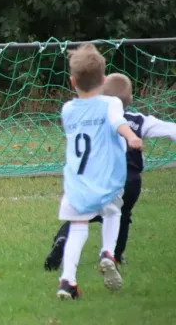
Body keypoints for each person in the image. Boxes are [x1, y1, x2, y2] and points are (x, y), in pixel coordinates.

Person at [44, 73, 176, 271]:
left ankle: (63, 238)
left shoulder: (93, 118)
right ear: (130, 99)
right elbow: (169, 129)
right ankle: (115, 254)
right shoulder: (137, 120)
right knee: (122, 214)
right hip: (130, 181)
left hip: (98, 176)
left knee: (81, 213)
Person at [53, 45, 143, 300]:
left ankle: (67, 281)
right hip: (105, 179)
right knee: (114, 211)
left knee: (77, 228)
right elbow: (118, 122)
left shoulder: (67, 110)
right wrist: (131, 136)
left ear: (72, 82)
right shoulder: (111, 103)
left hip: (77, 184)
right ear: (104, 81)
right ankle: (107, 251)